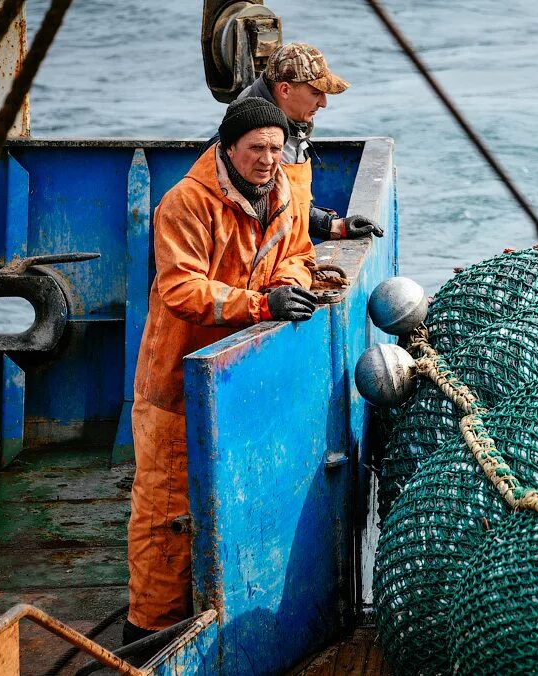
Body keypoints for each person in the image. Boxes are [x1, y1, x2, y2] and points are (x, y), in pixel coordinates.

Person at [123, 97, 319, 644]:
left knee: (235, 496)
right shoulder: (185, 203)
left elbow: (299, 251)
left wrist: (288, 282)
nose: (267, 160)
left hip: (241, 381)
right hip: (177, 385)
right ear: (227, 149)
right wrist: (260, 306)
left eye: (276, 149)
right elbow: (181, 288)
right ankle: (148, 636)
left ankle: (224, 621)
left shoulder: (284, 194)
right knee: (166, 510)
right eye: (256, 148)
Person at [237, 41, 383, 241]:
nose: (323, 103)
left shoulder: (291, 120)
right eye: (316, 93)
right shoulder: (253, 134)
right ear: (285, 90)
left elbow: (288, 202)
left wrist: (332, 225)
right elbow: (268, 208)